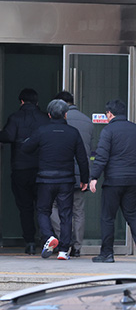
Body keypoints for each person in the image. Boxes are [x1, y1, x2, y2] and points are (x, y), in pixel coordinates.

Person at [22, 99, 90, 260]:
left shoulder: (42, 131)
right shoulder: (73, 133)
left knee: (43, 211)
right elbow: (82, 158)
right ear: (65, 115)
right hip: (66, 180)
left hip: (45, 179)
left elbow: (26, 148)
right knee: (66, 214)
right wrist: (85, 179)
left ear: (49, 114)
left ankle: (49, 236)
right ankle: (63, 251)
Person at [89, 99, 136, 264]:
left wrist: (94, 177)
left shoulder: (108, 131)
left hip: (113, 181)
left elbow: (102, 156)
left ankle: (107, 254)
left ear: (109, 114)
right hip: (132, 180)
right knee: (132, 215)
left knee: (108, 217)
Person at [0, 88, 49, 255]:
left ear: (21, 101)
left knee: (25, 207)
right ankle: (46, 240)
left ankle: (29, 242)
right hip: (41, 169)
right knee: (43, 207)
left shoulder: (15, 117)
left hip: (20, 169)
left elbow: (7, 136)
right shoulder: (45, 118)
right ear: (37, 102)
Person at [49, 91, 93, 258]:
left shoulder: (55, 121)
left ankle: (64, 240)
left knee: (53, 207)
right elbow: (88, 149)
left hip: (60, 172)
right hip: (80, 174)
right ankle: (77, 247)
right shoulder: (87, 121)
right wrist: (85, 178)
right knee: (78, 210)